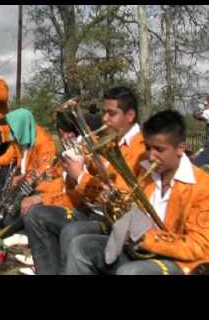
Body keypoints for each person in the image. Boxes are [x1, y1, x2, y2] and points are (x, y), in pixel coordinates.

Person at [64, 110, 209, 275]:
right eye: (147, 147)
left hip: (184, 262)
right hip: (143, 251)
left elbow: (197, 246)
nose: (151, 156)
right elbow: (124, 202)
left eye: (159, 149)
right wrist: (113, 202)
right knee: (81, 246)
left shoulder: (205, 186)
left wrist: (145, 238)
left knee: (131, 273)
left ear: (180, 148)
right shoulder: (144, 171)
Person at [23, 87, 147, 274]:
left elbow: (117, 197)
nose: (104, 119)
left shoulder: (141, 148)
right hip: (95, 212)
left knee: (72, 232)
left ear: (130, 115)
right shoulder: (112, 141)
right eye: (104, 112)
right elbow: (89, 186)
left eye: (111, 113)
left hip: (117, 221)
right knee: (36, 215)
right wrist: (46, 197)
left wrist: (80, 175)